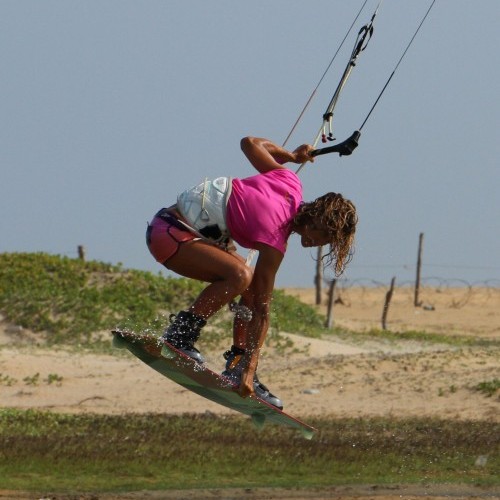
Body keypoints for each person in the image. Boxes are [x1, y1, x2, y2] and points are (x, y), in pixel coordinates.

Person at [146, 136, 357, 409]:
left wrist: (291, 157)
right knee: (242, 277)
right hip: (170, 234)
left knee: (248, 286)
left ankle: (236, 362)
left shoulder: (290, 181)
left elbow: (250, 143)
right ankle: (181, 336)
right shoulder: (274, 239)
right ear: (316, 220)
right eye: (325, 236)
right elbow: (262, 311)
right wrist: (251, 370)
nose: (321, 244)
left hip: (180, 233)